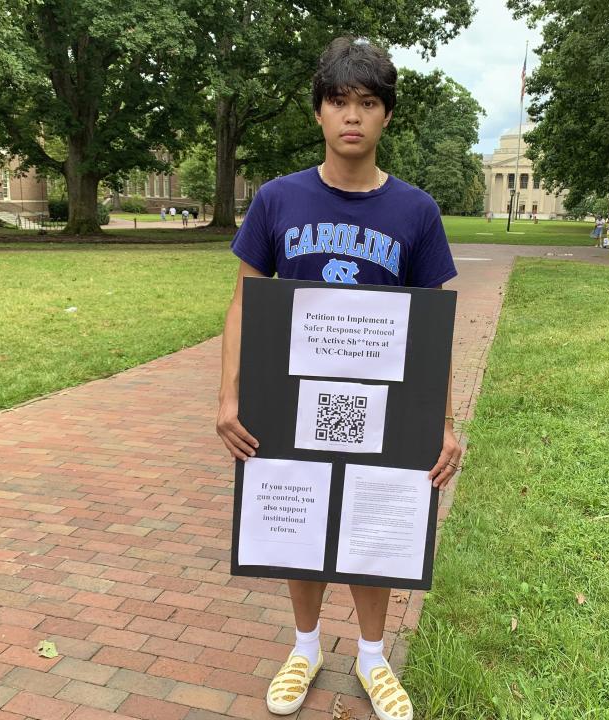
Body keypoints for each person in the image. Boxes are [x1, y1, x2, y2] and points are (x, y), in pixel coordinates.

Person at [217, 36, 460, 720]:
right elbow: (242, 301)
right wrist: (228, 395)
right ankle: (305, 647)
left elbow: (434, 326)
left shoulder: (416, 211)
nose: (352, 115)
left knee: (373, 524)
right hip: (291, 397)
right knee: (299, 520)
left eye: (367, 103)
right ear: (319, 113)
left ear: (386, 116)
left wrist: (443, 424)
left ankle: (374, 657)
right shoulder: (277, 200)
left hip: (381, 402)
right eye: (338, 101)